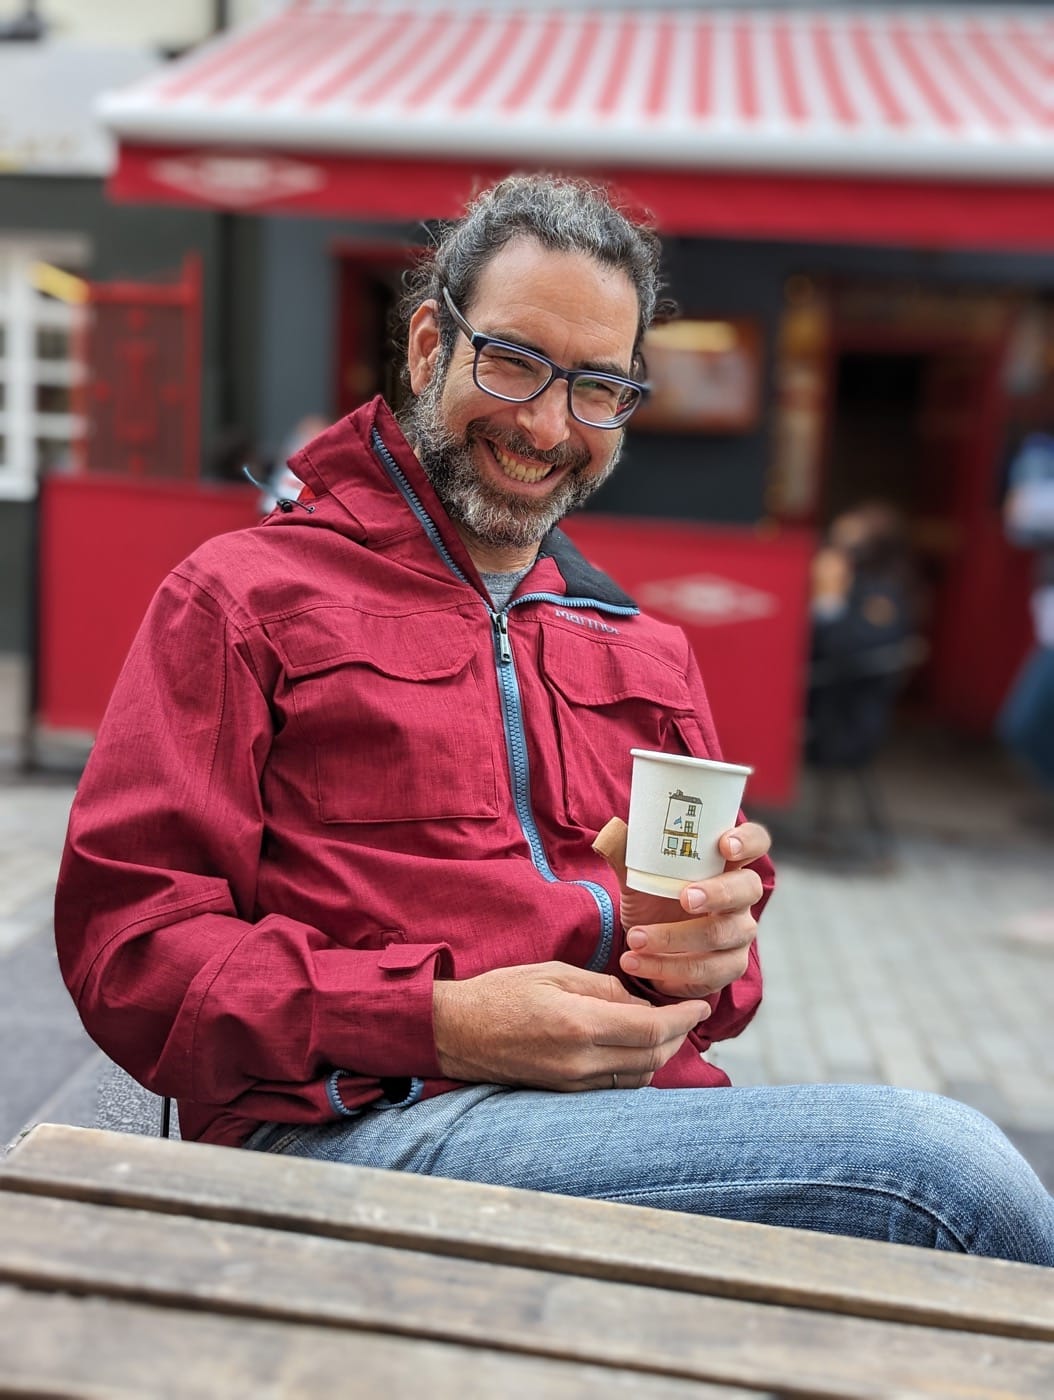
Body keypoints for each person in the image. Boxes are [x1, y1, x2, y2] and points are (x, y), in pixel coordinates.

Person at [55, 174, 1052, 1265]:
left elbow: (720, 981)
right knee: (938, 1173)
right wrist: (439, 1017)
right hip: (347, 1129)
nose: (545, 423)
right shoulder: (241, 596)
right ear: (431, 345)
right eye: (515, 361)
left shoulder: (641, 645)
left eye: (595, 387)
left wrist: (712, 947)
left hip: (624, 1121)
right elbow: (130, 950)